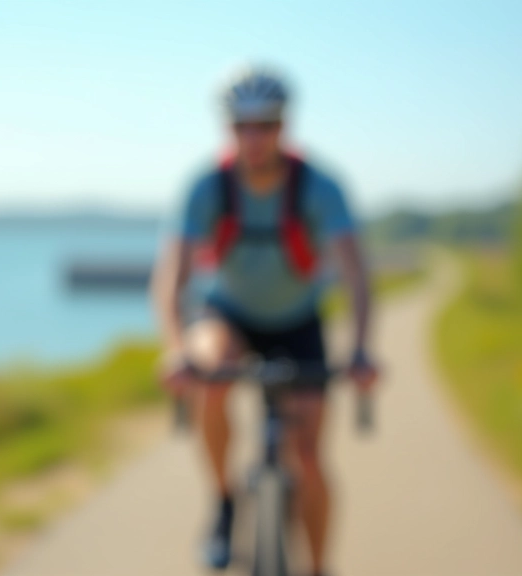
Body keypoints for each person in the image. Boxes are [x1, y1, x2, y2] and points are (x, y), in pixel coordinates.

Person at [149, 65, 379, 576]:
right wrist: (175, 348)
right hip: (229, 313)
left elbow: (356, 274)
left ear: (284, 126)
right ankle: (224, 501)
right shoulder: (207, 186)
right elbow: (171, 278)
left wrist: (361, 349)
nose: (253, 138)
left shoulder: (320, 186)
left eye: (266, 124)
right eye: (241, 126)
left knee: (312, 461)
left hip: (299, 321)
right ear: (228, 129)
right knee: (209, 373)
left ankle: (318, 566)